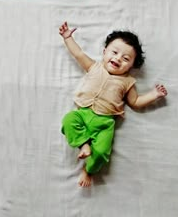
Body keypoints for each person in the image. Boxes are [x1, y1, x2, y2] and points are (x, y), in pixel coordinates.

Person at [59, 21, 168, 188]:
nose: (117, 58)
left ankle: (89, 170)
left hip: (105, 124)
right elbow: (78, 54)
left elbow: (136, 102)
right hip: (83, 114)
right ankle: (84, 144)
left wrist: (154, 95)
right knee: (68, 120)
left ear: (132, 66)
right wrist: (68, 38)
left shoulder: (128, 82)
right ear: (104, 52)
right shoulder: (94, 67)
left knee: (102, 152)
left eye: (126, 59)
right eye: (114, 52)